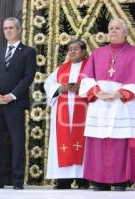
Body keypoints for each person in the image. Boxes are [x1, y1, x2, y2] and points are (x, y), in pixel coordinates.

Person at [79, 18, 135, 191]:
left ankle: (120, 180)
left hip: (122, 105)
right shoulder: (98, 52)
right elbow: (86, 78)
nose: (113, 31)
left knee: (120, 142)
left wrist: (119, 93)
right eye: (111, 28)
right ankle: (99, 180)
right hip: (100, 104)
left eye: (117, 28)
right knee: (98, 141)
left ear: (126, 32)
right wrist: (96, 91)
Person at [0, 17, 36, 189]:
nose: (8, 31)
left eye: (11, 28)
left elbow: (28, 77)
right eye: (5, 28)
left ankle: (17, 181)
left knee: (17, 142)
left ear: (19, 30)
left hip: (15, 104)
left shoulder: (28, 52)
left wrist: (12, 95)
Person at [44, 39, 89, 189]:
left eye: (76, 49)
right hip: (62, 114)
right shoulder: (61, 69)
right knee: (62, 144)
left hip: (84, 112)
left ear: (83, 51)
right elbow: (48, 84)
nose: (72, 51)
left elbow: (96, 85)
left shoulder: (90, 67)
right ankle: (64, 180)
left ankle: (83, 179)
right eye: (70, 49)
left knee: (83, 142)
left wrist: (80, 89)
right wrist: (60, 88)